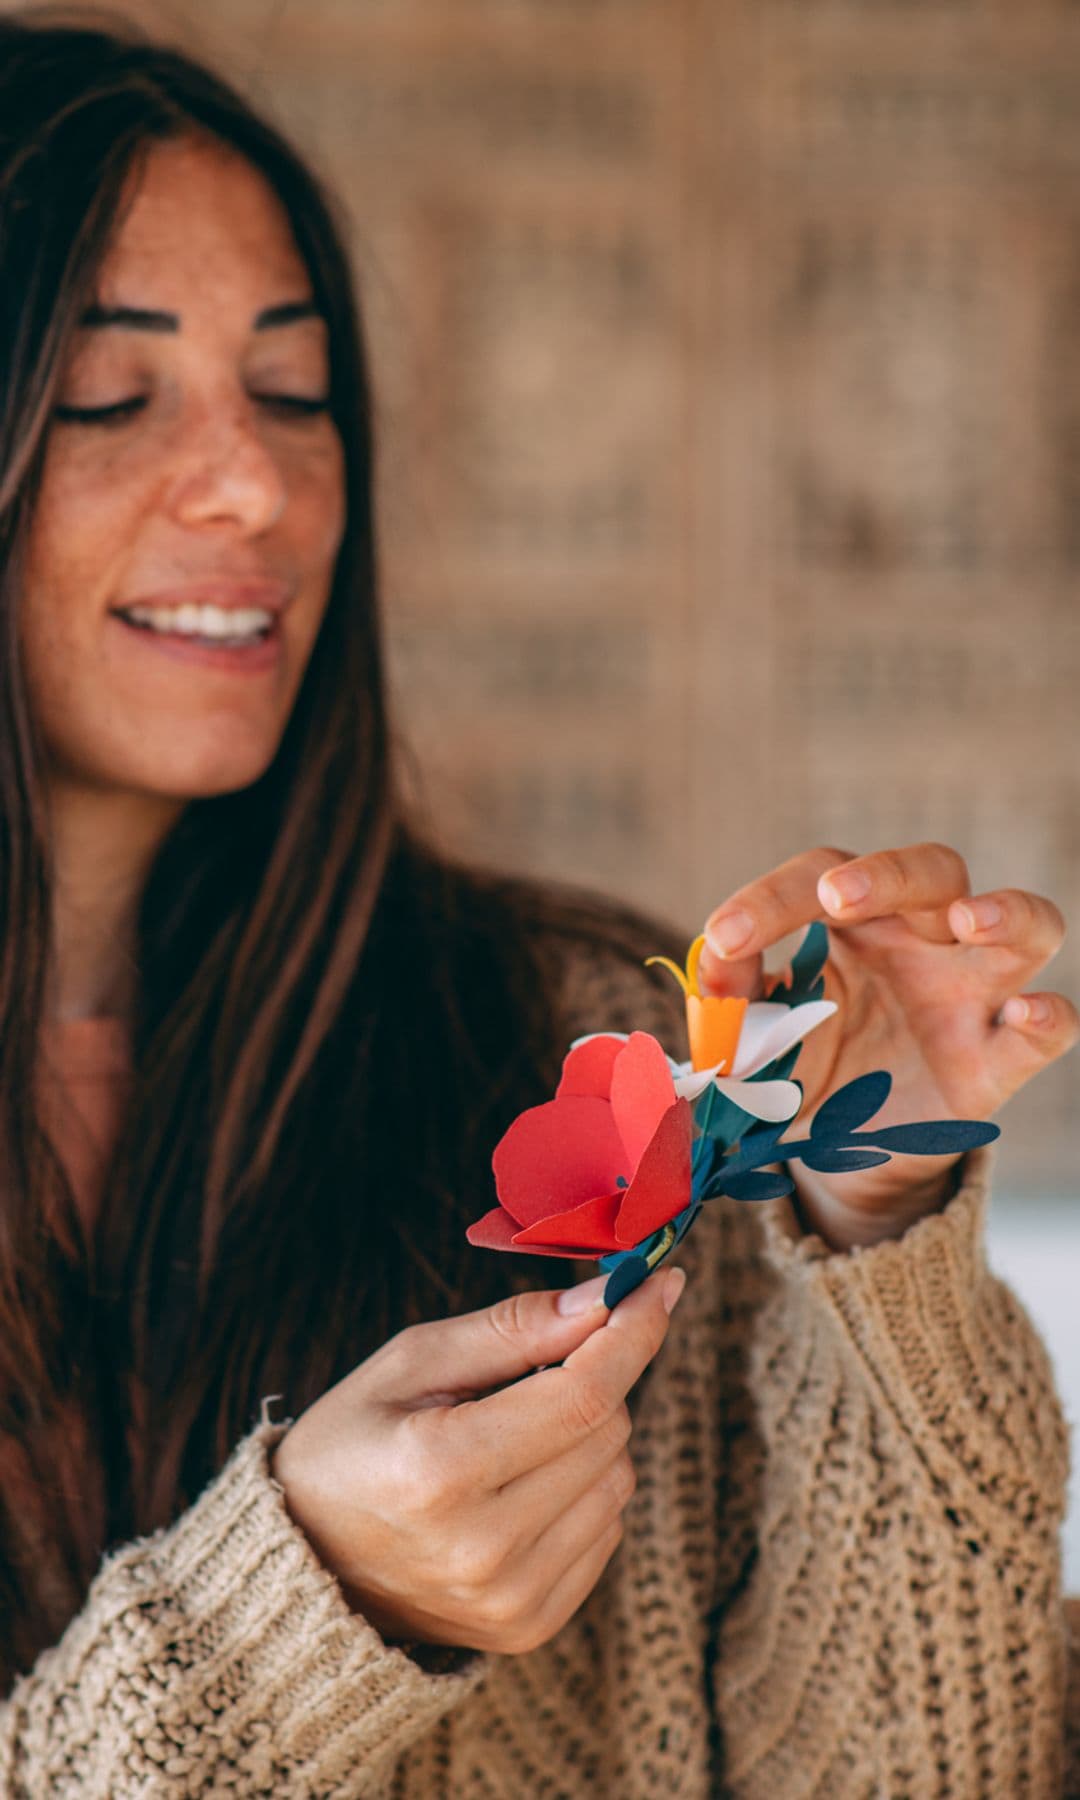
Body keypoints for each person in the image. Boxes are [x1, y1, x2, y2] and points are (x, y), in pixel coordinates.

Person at [0, 12, 1076, 1796]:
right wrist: (303, 1613)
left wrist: (878, 1219)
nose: (256, 483)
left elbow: (925, 1766)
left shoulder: (611, 1051)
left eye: (297, 390)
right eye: (112, 397)